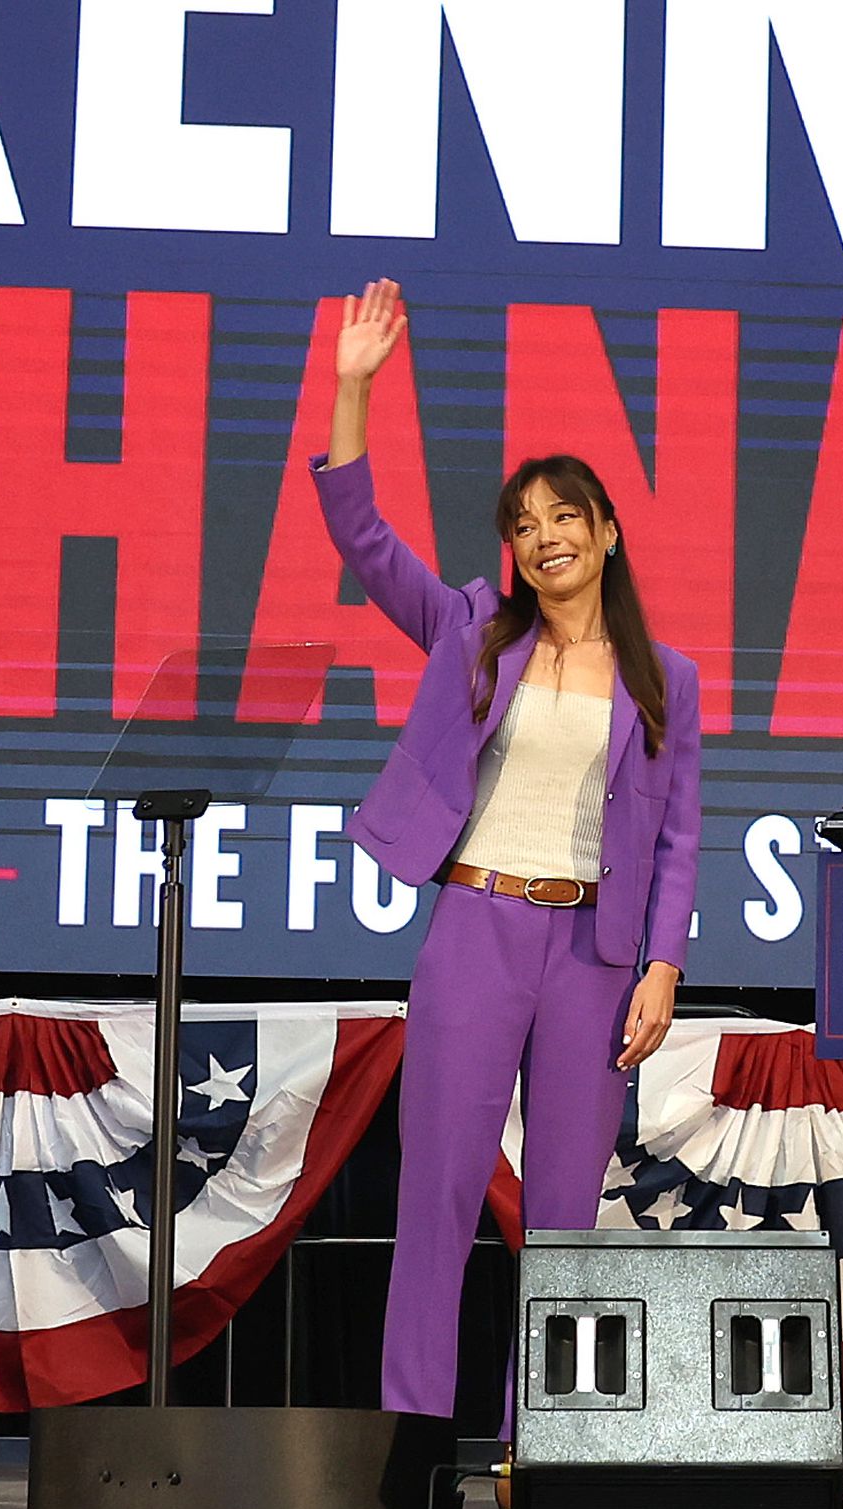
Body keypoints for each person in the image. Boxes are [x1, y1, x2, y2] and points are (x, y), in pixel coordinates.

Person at [314, 278, 702, 1416]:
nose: (542, 538)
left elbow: (679, 836)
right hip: (478, 929)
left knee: (570, 1217)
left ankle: (562, 1456)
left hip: (592, 953)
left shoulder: (665, 679)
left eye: (563, 516)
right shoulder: (473, 631)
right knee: (437, 1194)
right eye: (524, 524)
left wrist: (662, 966)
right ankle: (413, 1461)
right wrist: (352, 387)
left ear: (608, 531)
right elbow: (362, 536)